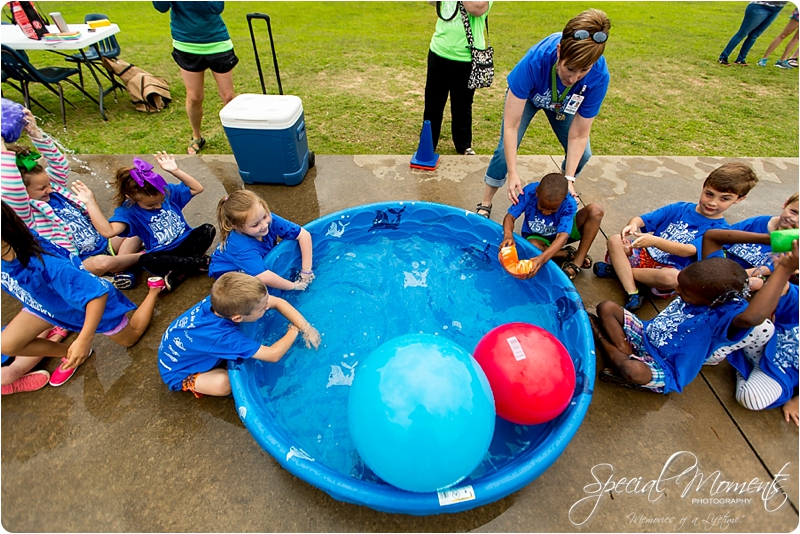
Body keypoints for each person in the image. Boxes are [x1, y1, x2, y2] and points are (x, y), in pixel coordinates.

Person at [0, 202, 163, 392]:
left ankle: (154, 290)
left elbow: (97, 295)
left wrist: (84, 339)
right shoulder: (11, 245)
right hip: (47, 304)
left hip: (89, 302)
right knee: (8, 344)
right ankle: (72, 353)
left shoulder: (49, 266)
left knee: (130, 337)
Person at [590, 250, 795, 395]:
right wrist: (766, 237)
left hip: (665, 365)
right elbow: (714, 236)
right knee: (607, 307)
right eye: (679, 285)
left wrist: (783, 269)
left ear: (714, 300)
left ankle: (601, 339)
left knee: (633, 371)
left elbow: (754, 317)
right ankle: (623, 354)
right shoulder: (703, 282)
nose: (676, 292)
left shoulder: (724, 317)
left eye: (684, 292)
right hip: (645, 334)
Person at [476, 9, 610, 218]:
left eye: (583, 71)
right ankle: (485, 203)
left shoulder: (599, 76)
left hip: (563, 104)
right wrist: (513, 174)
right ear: (559, 52)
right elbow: (511, 126)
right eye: (570, 69)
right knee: (504, 151)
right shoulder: (534, 62)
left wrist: (569, 179)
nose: (574, 78)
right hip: (529, 97)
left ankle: (560, 189)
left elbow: (579, 135)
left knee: (584, 154)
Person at [0, 109, 142, 289]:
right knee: (101, 264)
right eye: (42, 188)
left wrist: (35, 132)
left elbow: (59, 163)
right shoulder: (26, 212)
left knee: (137, 226)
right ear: (23, 192)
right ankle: (145, 258)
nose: (49, 189)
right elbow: (11, 186)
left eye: (48, 183)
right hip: (79, 261)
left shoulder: (54, 190)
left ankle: (119, 270)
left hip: (104, 243)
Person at [592, 163, 758, 311]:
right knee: (615, 240)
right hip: (643, 256)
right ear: (703, 186)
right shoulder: (679, 208)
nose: (713, 202)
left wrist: (655, 241)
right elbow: (642, 219)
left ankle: (619, 271)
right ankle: (632, 291)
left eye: (725, 199)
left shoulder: (720, 230)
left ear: (740, 199)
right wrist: (633, 225)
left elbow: (687, 251)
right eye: (709, 194)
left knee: (674, 278)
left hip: (667, 270)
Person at [158, 271, 320, 398]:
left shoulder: (222, 300)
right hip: (178, 370)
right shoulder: (223, 337)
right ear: (236, 318)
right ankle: (190, 382)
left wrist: (307, 328)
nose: (267, 306)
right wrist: (293, 330)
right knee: (224, 383)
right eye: (263, 308)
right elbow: (273, 355)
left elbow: (278, 302)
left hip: (181, 347)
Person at [71, 153, 216, 292]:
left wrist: (175, 170)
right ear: (131, 198)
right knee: (146, 260)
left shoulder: (168, 192)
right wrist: (91, 203)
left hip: (186, 243)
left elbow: (197, 188)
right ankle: (196, 263)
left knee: (207, 230)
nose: (158, 206)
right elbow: (108, 232)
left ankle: (181, 271)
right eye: (151, 206)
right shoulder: (129, 212)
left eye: (161, 201)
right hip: (163, 254)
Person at [152, 1, 238, 154]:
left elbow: (217, 7)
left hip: (217, 41)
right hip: (185, 43)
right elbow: (161, 7)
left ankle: (239, 139)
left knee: (228, 97)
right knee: (194, 97)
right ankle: (197, 136)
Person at [499, 172, 604, 279]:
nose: (546, 212)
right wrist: (508, 235)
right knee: (532, 248)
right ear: (537, 193)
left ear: (564, 199)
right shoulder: (529, 192)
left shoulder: (569, 203)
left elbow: (562, 236)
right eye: (542, 206)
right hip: (537, 237)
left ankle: (577, 262)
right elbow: (510, 217)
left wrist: (542, 259)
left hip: (563, 233)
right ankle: (566, 254)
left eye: (553, 209)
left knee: (596, 210)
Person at [422, 0, 491, 156]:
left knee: (462, 105)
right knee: (433, 102)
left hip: (467, 57)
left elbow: (477, 8)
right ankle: (427, 143)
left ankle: (463, 145)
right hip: (439, 50)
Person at [209, 190, 314, 290]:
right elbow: (263, 276)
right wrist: (293, 286)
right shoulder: (240, 247)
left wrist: (306, 271)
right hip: (230, 270)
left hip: (252, 253)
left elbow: (303, 235)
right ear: (236, 227)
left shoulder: (263, 219)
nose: (264, 225)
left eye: (265, 216)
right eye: (255, 225)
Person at [701, 193, 798, 291]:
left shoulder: (795, 244)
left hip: (748, 274)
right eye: (793, 211)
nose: (794, 219)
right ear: (785, 204)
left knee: (756, 283)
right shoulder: (760, 221)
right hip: (724, 261)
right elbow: (727, 236)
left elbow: (770, 268)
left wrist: (734, 274)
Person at [718, 1, 787, 66]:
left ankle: (741, 59)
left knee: (754, 35)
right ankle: (723, 57)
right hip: (760, 5)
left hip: (777, 9)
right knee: (742, 33)